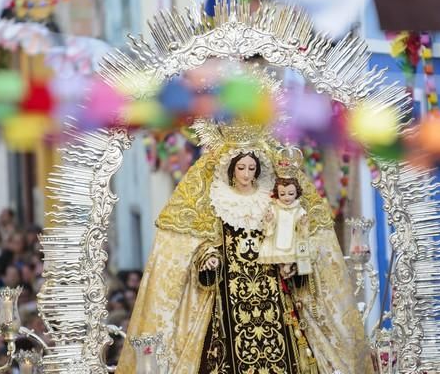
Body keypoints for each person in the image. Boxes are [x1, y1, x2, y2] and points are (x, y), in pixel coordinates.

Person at [116, 122, 371, 373]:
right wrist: (208, 257)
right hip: (228, 297)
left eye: (251, 168)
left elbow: (290, 236)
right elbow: (203, 242)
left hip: (273, 292)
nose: (247, 173)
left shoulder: (272, 199)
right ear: (231, 169)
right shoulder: (216, 200)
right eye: (241, 167)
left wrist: (294, 260)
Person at [257, 151, 310, 279]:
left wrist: (302, 224)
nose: (286, 197)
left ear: (296, 192)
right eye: (282, 194)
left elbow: (303, 229)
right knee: (276, 251)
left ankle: (290, 264)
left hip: (292, 237)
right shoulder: (274, 208)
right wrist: (269, 221)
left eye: (290, 194)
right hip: (278, 238)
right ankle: (282, 266)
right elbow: (268, 227)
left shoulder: (299, 209)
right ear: (277, 193)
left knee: (295, 250)